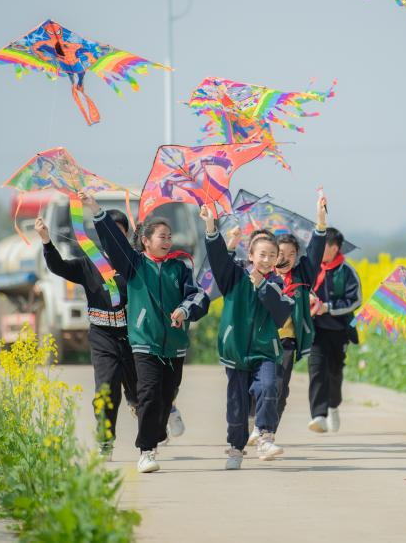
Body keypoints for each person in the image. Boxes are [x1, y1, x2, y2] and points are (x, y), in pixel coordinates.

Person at [81, 191, 210, 474]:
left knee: (165, 397)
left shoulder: (180, 268)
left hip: (174, 346)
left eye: (169, 236)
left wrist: (184, 310)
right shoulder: (134, 265)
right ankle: (146, 452)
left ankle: (157, 431)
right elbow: (115, 243)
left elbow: (199, 297)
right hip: (144, 344)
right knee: (148, 394)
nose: (167, 241)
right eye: (162, 236)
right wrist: (95, 209)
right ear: (146, 240)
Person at [34, 210, 136, 460]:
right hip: (103, 337)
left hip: (134, 338)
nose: (114, 237)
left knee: (141, 393)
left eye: (119, 232)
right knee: (105, 391)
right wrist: (46, 240)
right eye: (108, 231)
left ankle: (146, 421)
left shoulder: (136, 263)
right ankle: (105, 441)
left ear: (126, 236)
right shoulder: (89, 263)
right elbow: (58, 266)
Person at [201, 205, 294, 469]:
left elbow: (281, 313)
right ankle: (235, 449)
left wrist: (262, 285)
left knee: (268, 387)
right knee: (237, 403)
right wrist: (211, 227)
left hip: (265, 350)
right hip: (236, 351)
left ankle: (265, 436)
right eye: (262, 254)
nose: (267, 259)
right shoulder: (234, 277)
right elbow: (218, 259)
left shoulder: (277, 284)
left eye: (272, 255)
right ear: (250, 255)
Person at [246, 195, 328, 446]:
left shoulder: (303, 275)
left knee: (279, 388)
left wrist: (321, 221)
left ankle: (267, 432)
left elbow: (315, 251)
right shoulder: (260, 275)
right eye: (281, 253)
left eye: (292, 254)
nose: (286, 258)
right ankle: (256, 421)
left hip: (286, 342)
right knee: (258, 387)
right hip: (260, 341)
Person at [307, 224, 362, 434]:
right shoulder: (310, 268)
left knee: (334, 372)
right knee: (316, 370)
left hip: (339, 330)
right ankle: (318, 416)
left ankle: (333, 406)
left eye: (323, 245)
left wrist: (328, 308)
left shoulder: (346, 271)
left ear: (335, 247)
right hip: (315, 330)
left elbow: (355, 300)